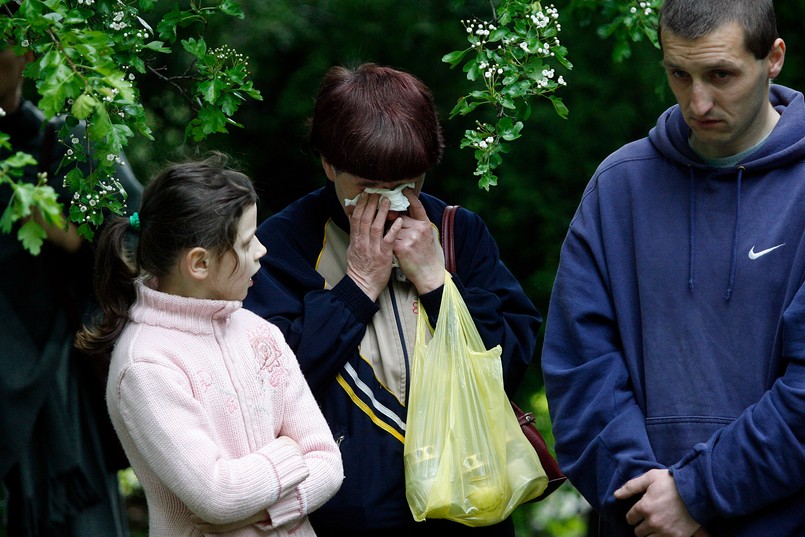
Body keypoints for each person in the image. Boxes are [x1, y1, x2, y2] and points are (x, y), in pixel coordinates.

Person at [243, 62, 542, 537]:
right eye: (367, 187)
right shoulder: (280, 246)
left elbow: (508, 366)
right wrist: (358, 285)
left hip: (463, 513)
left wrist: (437, 282)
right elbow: (270, 387)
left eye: (408, 184)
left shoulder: (459, 232)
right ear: (328, 164)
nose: (393, 202)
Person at [540, 0, 805, 535]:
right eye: (679, 74)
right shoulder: (620, 186)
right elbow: (580, 370)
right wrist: (652, 507)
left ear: (773, 58)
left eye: (720, 75)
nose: (697, 101)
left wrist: (698, 493)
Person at [74, 153, 344, 536]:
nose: (262, 251)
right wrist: (290, 452)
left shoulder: (258, 331)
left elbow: (328, 461)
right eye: (248, 241)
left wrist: (263, 512)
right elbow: (218, 496)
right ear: (198, 264)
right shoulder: (146, 364)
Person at [0, 33, 143, 536]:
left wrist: (74, 238)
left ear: (29, 52)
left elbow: (140, 238)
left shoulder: (70, 138)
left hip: (58, 375)